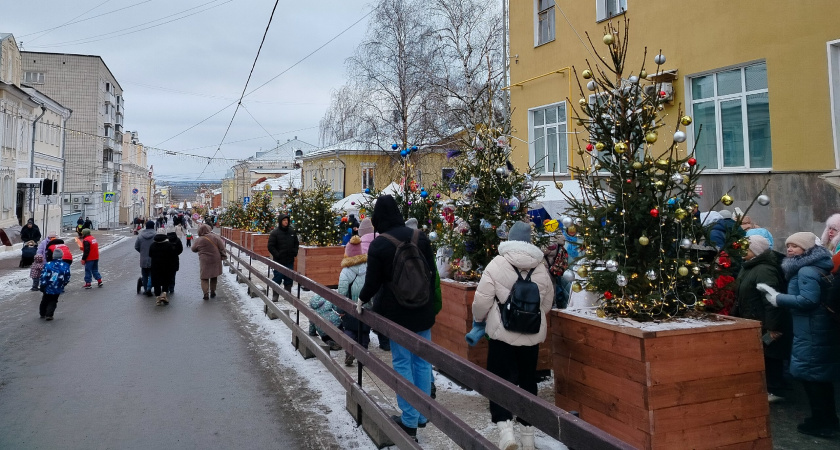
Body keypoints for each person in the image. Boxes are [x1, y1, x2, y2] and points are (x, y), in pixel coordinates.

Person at [357, 195, 436, 441]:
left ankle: (409, 420)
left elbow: (372, 282)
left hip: (398, 314)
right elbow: (432, 273)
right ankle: (422, 415)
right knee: (422, 362)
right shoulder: (420, 237)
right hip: (423, 310)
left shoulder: (380, 245)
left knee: (402, 363)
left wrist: (361, 300)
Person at [470, 221, 554, 450]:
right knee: (528, 381)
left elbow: (481, 301)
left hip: (502, 335)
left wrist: (479, 320)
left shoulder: (497, 264)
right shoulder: (541, 267)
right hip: (531, 336)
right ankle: (528, 435)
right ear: (529, 241)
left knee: (500, 381)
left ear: (509, 239)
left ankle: (506, 432)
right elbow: (547, 303)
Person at [757, 232, 840, 437]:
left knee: (812, 377)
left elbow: (808, 300)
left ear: (807, 249)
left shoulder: (805, 271)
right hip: (816, 328)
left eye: (795, 246)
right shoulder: (817, 267)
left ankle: (823, 423)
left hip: (811, 330)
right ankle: (825, 419)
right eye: (788, 245)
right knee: (818, 376)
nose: (790, 249)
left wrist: (778, 299)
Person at [733, 235, 790, 403]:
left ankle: (774, 389)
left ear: (756, 250)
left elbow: (771, 302)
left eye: (746, 248)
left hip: (764, 321)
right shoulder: (749, 266)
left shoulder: (764, 270)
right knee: (762, 354)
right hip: (753, 319)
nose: (742, 250)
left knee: (770, 354)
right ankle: (767, 387)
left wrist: (772, 327)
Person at [337, 235, 369, 366]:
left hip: (350, 307)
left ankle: (349, 351)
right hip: (366, 306)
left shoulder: (345, 271)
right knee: (364, 332)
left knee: (350, 330)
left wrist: (340, 309)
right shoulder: (369, 267)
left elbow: (342, 292)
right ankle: (363, 356)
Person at [191, 224, 226, 300]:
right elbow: (222, 247)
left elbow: (193, 249)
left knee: (204, 277)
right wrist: (223, 255)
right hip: (215, 259)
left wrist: (200, 249)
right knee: (214, 275)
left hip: (205, 260)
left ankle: (206, 294)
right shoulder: (215, 237)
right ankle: (213, 291)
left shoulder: (199, 240)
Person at [267, 213, 299, 296]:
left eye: (287, 220)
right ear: (280, 221)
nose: (286, 222)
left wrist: (294, 252)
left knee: (289, 278)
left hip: (289, 260)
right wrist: (277, 255)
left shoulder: (292, 232)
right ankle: (275, 295)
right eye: (284, 220)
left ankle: (287, 295)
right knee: (278, 277)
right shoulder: (275, 233)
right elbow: (270, 246)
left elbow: (296, 243)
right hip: (279, 261)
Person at [38, 248, 71, 321]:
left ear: (53, 256)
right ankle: (49, 314)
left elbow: (43, 275)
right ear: (61, 256)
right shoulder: (65, 265)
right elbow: (67, 276)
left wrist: (42, 284)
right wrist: (64, 283)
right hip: (58, 286)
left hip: (47, 285)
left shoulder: (48, 265)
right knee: (54, 300)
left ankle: (42, 313)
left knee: (45, 299)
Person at [149, 232, 177, 305]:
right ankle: (164, 294)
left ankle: (158, 298)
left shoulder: (152, 245)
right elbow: (173, 255)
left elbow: (150, 254)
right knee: (166, 280)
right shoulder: (169, 245)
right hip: (166, 266)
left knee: (156, 282)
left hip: (155, 266)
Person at [135, 220, 157, 296]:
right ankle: (149, 288)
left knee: (144, 275)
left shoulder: (140, 235)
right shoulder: (155, 235)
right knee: (152, 274)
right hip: (153, 259)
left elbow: (136, 246)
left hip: (143, 259)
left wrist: (142, 252)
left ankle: (145, 289)